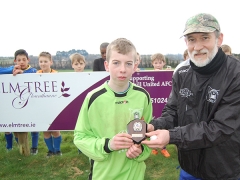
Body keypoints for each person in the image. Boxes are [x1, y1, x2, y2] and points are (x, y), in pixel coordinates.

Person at [142, 13, 240, 179]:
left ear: (219, 39)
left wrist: (171, 136)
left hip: (224, 170)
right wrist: (155, 125)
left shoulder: (235, 74)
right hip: (188, 168)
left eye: (204, 38)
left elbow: (221, 128)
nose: (197, 46)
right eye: (192, 39)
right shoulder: (181, 73)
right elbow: (173, 111)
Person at [74, 38, 153, 180]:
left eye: (128, 63)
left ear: (135, 66)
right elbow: (80, 138)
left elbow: (146, 134)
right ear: (106, 65)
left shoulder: (143, 96)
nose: (122, 69)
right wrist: (107, 145)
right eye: (116, 63)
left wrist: (141, 150)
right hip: (103, 174)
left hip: (134, 174)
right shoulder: (93, 98)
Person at [8, 49, 39, 155]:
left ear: (28, 60)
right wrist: (13, 70)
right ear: (15, 61)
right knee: (17, 128)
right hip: (17, 104)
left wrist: (22, 74)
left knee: (34, 126)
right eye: (19, 60)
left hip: (31, 103)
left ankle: (34, 147)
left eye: (24, 60)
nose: (21, 62)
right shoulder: (12, 70)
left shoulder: (33, 71)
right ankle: (19, 146)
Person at [36, 51, 62, 157]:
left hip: (54, 107)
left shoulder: (56, 74)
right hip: (42, 107)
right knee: (46, 131)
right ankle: (50, 151)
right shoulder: (36, 75)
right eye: (41, 61)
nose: (43, 64)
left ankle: (57, 150)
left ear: (50, 62)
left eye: (45, 61)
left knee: (55, 130)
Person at [149, 52, 170, 157]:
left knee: (163, 126)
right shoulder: (149, 76)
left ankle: (163, 148)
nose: (158, 65)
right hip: (154, 104)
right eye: (156, 63)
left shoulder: (166, 74)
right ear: (152, 63)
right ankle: (154, 148)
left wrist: (168, 73)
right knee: (154, 125)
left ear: (164, 63)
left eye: (160, 62)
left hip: (164, 104)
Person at [69, 53, 85, 154]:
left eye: (81, 63)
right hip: (75, 107)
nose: (79, 66)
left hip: (86, 106)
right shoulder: (70, 78)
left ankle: (85, 147)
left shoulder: (90, 76)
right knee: (77, 128)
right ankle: (79, 148)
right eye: (76, 64)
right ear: (72, 65)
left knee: (86, 127)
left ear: (84, 64)